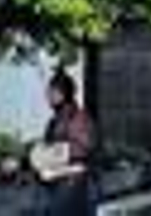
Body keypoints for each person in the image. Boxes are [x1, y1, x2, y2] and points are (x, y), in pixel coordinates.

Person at [32, 68, 95, 216]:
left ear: (63, 94)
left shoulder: (77, 118)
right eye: (48, 92)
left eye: (51, 92)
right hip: (58, 185)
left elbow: (82, 150)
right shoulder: (56, 121)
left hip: (73, 188)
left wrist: (51, 155)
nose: (47, 96)